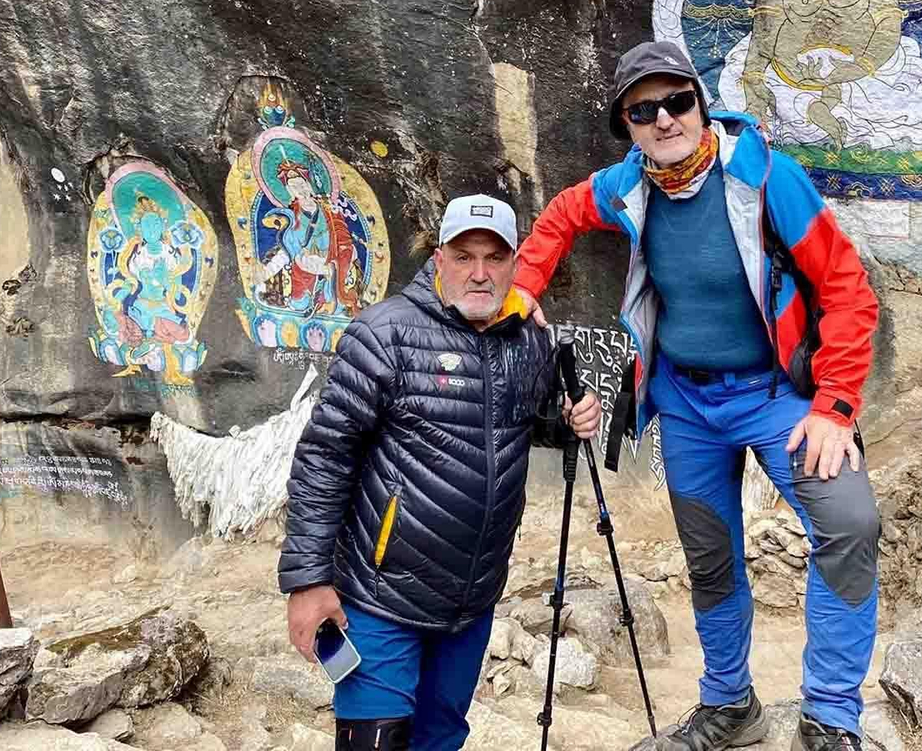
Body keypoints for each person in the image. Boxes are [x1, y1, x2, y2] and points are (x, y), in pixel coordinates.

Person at [511, 40, 883, 751]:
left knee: (849, 522)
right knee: (710, 556)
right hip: (686, 402)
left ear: (699, 102)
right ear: (627, 124)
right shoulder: (628, 185)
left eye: (676, 101)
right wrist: (525, 283)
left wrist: (835, 405)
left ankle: (831, 715)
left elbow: (846, 290)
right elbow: (561, 213)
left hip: (777, 396)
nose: (664, 119)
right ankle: (729, 706)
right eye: (642, 110)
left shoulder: (769, 178)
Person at [278, 194, 601, 751]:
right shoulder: (383, 334)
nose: (480, 273)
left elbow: (532, 421)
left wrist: (573, 416)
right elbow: (323, 458)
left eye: (495, 258)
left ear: (514, 263)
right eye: (464, 256)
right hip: (380, 597)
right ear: (439, 257)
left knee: (441, 738)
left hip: (470, 601)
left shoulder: (527, 341)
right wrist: (307, 582)